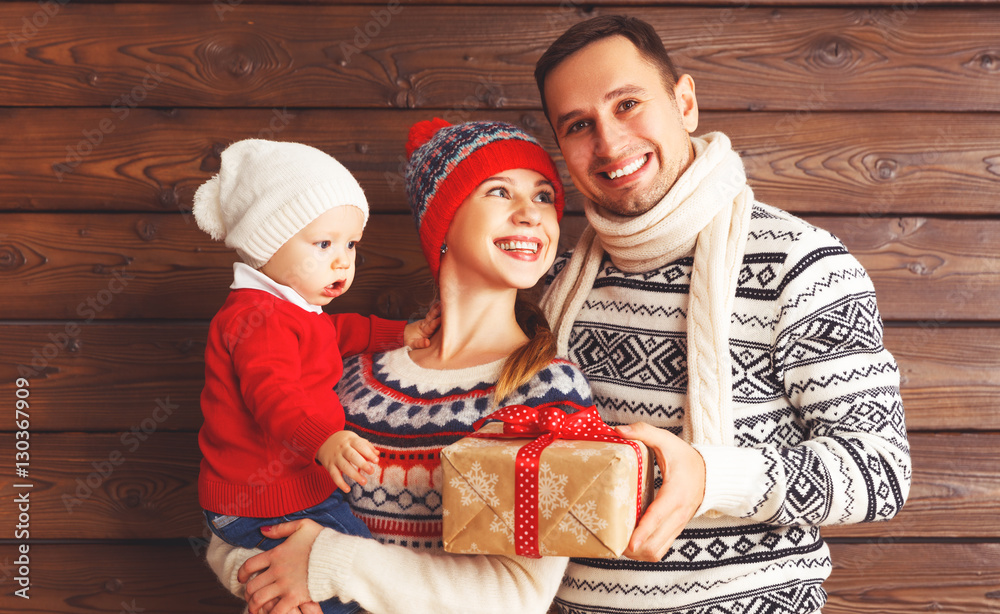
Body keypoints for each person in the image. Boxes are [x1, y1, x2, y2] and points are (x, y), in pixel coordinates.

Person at [535, 15, 912, 614]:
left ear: (684, 102)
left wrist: (711, 476)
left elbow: (880, 474)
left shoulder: (802, 263)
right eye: (579, 125)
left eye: (627, 103)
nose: (608, 143)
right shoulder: (552, 286)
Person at [205, 120, 595, 614]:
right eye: (500, 191)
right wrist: (265, 583)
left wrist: (329, 563)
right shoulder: (351, 372)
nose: (532, 215)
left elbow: (517, 596)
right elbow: (240, 510)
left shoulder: (545, 391)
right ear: (443, 221)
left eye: (543, 197)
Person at [193, 139, 439, 614]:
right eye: (323, 244)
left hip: (280, 493)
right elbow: (274, 396)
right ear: (266, 242)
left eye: (350, 245)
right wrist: (325, 440)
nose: (342, 260)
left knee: (343, 579)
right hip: (264, 499)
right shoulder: (258, 318)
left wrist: (398, 333)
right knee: (351, 585)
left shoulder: (292, 310)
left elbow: (336, 333)